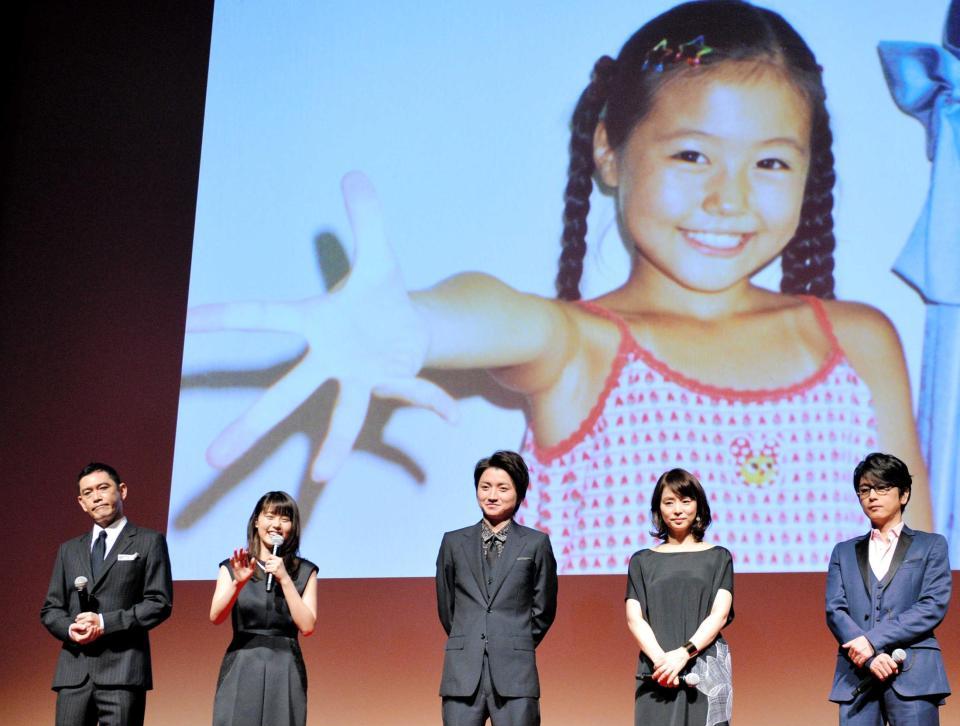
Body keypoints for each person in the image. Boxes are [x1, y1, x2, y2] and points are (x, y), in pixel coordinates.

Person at [185, 0, 931, 574]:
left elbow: (921, 576)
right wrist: (416, 324)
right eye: (693, 155)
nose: (730, 199)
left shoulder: (859, 343)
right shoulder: (583, 346)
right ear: (610, 152)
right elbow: (504, 316)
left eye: (770, 163)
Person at [40, 463, 174, 726]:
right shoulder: (69, 550)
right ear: (81, 503)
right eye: (88, 493)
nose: (97, 497)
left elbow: (158, 603)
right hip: (74, 673)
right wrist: (71, 627)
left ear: (122, 491)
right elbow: (51, 609)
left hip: (123, 672)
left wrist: (104, 623)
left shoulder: (148, 541)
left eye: (103, 488)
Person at [825, 452, 951, 726]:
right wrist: (866, 656)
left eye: (881, 488)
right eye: (865, 490)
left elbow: (932, 606)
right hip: (857, 677)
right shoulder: (844, 551)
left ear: (904, 494)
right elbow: (835, 610)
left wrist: (872, 641)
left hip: (914, 674)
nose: (872, 496)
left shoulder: (931, 546)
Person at [435, 450, 558, 726]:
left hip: (515, 676)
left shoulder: (535, 544)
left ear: (518, 492)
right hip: (462, 675)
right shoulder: (453, 542)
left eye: (502, 488)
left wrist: (511, 639)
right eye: (485, 486)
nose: (492, 494)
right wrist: (471, 638)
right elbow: (448, 608)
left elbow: (543, 608)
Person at [626, 468, 733, 726]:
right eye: (668, 501)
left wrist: (683, 654)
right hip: (657, 673)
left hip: (706, 671)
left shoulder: (719, 557)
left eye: (685, 500)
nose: (677, 508)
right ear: (657, 509)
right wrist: (662, 661)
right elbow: (634, 616)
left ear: (699, 506)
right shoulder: (642, 560)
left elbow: (719, 614)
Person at [204, 490, 318, 726]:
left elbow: (307, 625)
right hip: (242, 662)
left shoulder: (304, 571)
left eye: (285, 518)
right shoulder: (232, 567)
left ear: (293, 527)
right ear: (256, 522)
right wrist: (240, 582)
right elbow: (216, 615)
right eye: (269, 516)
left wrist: (283, 579)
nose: (276, 524)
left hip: (285, 666)